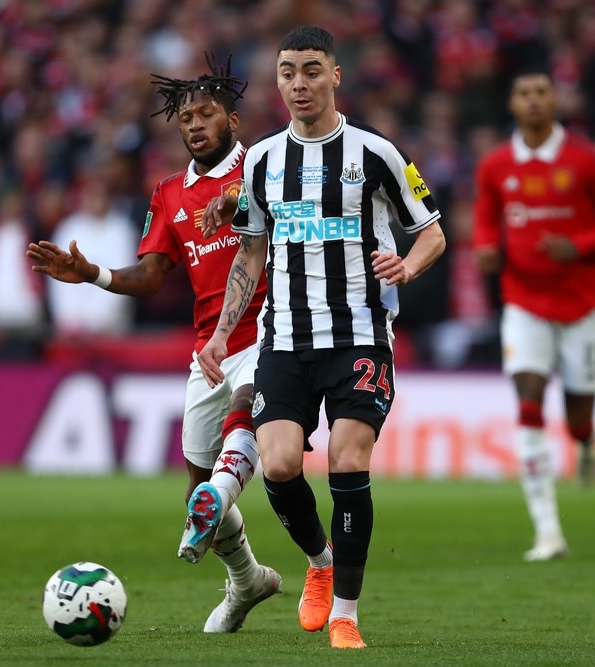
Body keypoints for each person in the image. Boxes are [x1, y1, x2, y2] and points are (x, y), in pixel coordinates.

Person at [197, 26, 446, 650]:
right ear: (277, 80)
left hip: (360, 336)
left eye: (311, 70)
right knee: (278, 465)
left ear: (336, 75)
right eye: (287, 72)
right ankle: (319, 560)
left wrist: (407, 266)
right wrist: (224, 334)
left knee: (347, 458)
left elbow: (433, 231)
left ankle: (345, 614)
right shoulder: (261, 161)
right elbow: (250, 252)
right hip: (284, 339)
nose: (299, 83)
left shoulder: (376, 153)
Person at [27, 54, 281, 633]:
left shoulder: (266, 168)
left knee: (239, 431)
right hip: (208, 350)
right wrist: (91, 274)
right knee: (200, 499)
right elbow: (151, 275)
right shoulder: (168, 194)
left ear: (233, 122)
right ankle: (247, 581)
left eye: (206, 113)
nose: (194, 124)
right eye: (185, 116)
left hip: (272, 330)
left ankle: (233, 508)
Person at [471, 65, 595, 562]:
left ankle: (586, 441)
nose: (534, 99)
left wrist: (579, 246)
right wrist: (484, 247)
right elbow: (484, 217)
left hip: (582, 302)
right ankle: (547, 530)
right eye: (525, 92)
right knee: (528, 403)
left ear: (555, 100)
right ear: (513, 104)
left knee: (578, 417)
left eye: (542, 91)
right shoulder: (496, 164)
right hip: (523, 300)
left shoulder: (588, 159)